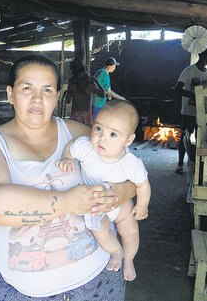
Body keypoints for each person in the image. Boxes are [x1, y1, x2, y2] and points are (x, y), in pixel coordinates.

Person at [0, 55, 137, 300]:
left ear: (57, 96)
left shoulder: (77, 133)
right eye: (27, 88)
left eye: (47, 90)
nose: (37, 99)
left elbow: (132, 173)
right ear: (10, 93)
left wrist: (120, 193)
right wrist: (68, 202)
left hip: (99, 279)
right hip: (23, 290)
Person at [56, 100, 151, 282]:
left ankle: (129, 259)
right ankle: (117, 252)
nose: (102, 138)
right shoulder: (87, 148)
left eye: (113, 134)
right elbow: (72, 145)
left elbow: (143, 185)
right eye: (98, 129)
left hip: (121, 205)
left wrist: (142, 205)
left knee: (131, 231)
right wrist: (67, 158)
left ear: (128, 140)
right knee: (100, 230)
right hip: (97, 207)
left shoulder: (130, 163)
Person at [174, 44, 207, 174]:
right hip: (188, 111)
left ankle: (196, 162)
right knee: (184, 137)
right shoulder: (189, 71)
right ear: (206, 55)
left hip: (202, 113)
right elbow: (178, 89)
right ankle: (180, 163)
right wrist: (194, 95)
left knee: (201, 138)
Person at [65, 58, 104, 127]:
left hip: (75, 115)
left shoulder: (72, 85)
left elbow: (67, 101)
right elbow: (102, 94)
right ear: (84, 71)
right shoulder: (91, 84)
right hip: (87, 116)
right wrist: (96, 82)